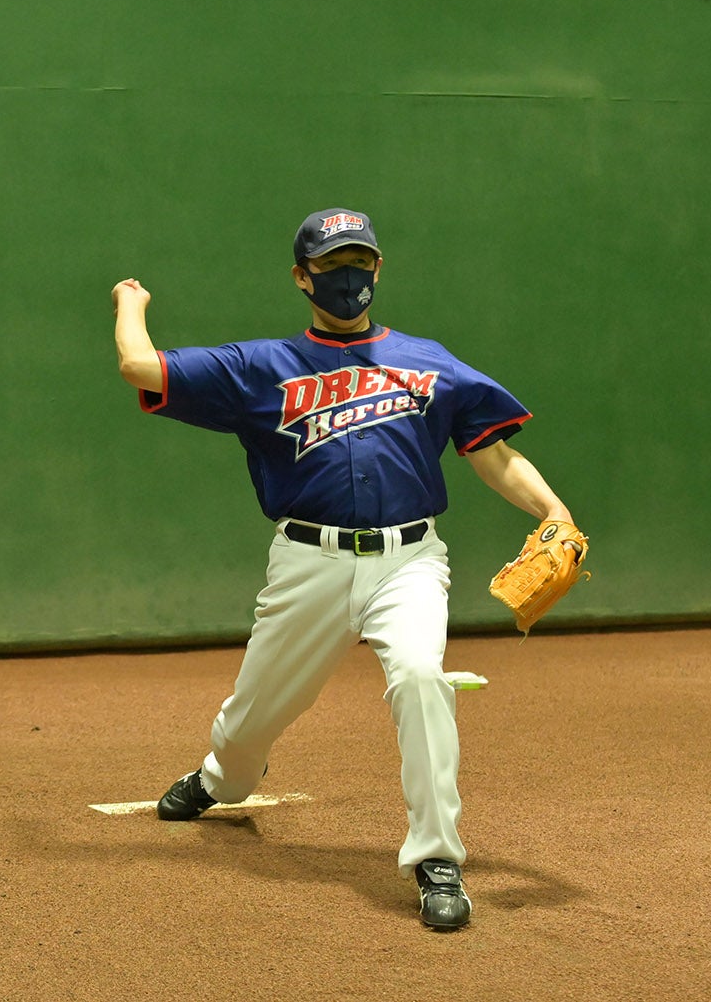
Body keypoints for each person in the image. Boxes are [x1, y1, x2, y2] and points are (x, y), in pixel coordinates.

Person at [109, 208, 576, 929]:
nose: (348, 275)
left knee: (423, 678)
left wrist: (555, 511)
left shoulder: (430, 362)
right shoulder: (261, 367)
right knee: (250, 723)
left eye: (360, 259)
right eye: (330, 263)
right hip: (307, 563)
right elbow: (141, 368)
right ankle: (220, 778)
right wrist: (130, 304)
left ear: (379, 267)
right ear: (302, 277)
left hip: (409, 561)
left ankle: (437, 857)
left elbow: (493, 451)